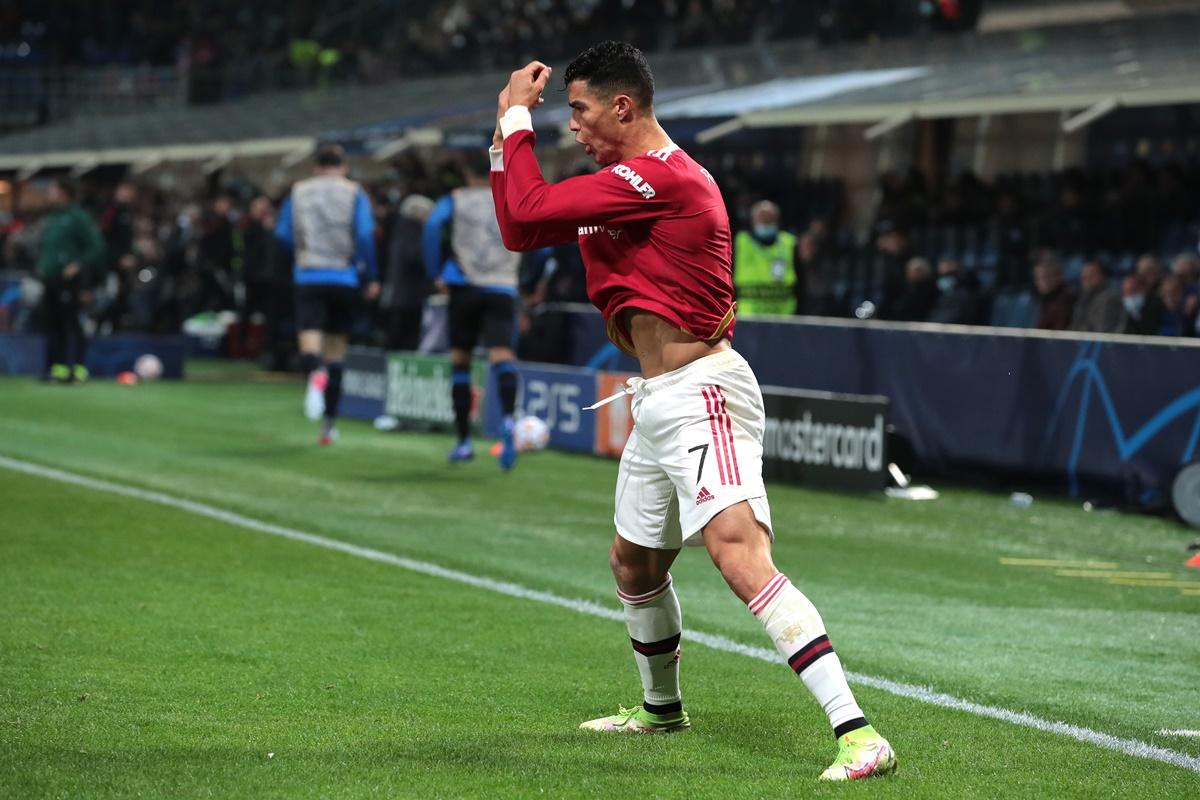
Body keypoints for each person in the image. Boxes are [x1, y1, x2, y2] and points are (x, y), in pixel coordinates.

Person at [489, 42, 895, 781]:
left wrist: (513, 114)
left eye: (578, 110)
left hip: (703, 386)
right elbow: (519, 227)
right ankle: (661, 710)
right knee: (634, 561)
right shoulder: (624, 182)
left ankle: (859, 733)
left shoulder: (662, 178)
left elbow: (526, 206)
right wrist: (505, 133)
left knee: (739, 555)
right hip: (659, 397)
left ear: (622, 106)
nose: (570, 125)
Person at [423, 152, 523, 470]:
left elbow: (431, 228)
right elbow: (541, 237)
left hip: (464, 284)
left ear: (467, 173)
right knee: (502, 355)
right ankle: (508, 419)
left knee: (460, 361)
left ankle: (464, 441)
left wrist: (435, 271)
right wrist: (528, 279)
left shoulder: (455, 199)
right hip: (502, 285)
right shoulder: (509, 196)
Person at [274, 145, 380, 445]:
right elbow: (363, 234)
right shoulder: (354, 192)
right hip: (343, 277)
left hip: (309, 273)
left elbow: (282, 234)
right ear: (343, 166)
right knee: (336, 352)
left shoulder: (299, 192)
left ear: (315, 166)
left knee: (309, 340)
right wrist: (370, 275)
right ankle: (329, 425)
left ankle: (314, 375)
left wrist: (304, 249)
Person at [36, 178, 106, 383]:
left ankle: (78, 368)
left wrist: (77, 264)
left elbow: (96, 246)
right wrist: (43, 264)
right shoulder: (54, 217)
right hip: (51, 278)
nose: (49, 194)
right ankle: (57, 369)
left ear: (64, 193)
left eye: (52, 189)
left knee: (71, 323)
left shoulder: (77, 217)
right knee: (53, 323)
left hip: (69, 280)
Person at [382, 193, 434, 352]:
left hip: (398, 295)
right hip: (409, 296)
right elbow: (415, 257)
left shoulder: (398, 230)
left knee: (396, 336)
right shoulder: (413, 232)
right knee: (406, 338)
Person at [732, 200, 798, 316]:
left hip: (784, 318)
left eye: (769, 219)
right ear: (753, 221)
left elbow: (800, 284)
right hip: (747, 317)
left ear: (777, 221)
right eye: (762, 219)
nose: (766, 223)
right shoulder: (740, 243)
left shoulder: (790, 244)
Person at [1068, 260, 1123, 334]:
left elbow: (1102, 331)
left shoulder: (1109, 300)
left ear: (1103, 277)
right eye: (1084, 275)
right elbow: (1075, 325)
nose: (1086, 278)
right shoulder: (1082, 298)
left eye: (1092, 275)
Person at [927, 257, 980, 325]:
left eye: (948, 274)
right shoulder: (934, 291)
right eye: (941, 275)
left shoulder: (965, 293)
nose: (944, 278)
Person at [1033, 256, 1075, 331]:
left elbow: (1058, 334)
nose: (1042, 282)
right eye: (1038, 278)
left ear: (1058, 276)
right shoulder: (1045, 299)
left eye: (1046, 277)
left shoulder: (1065, 299)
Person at [890, 257, 937, 322]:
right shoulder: (900, 287)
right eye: (914, 271)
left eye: (919, 271)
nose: (916, 274)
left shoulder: (932, 290)